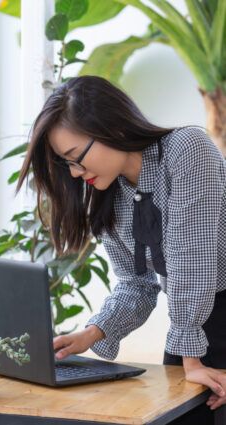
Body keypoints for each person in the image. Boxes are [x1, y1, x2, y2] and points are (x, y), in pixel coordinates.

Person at [15, 75, 226, 424]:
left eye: (75, 157)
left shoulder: (187, 149)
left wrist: (190, 360)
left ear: (111, 127)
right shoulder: (108, 197)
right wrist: (91, 333)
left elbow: (194, 259)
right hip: (194, 326)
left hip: (196, 325)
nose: (75, 172)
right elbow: (137, 285)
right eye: (66, 164)